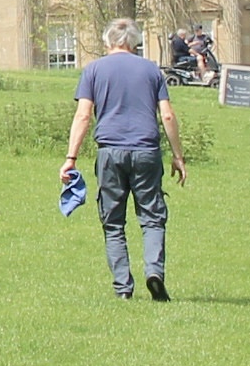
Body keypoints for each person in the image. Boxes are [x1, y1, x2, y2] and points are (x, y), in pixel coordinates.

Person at [58, 18, 189, 300]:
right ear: (134, 42)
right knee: (152, 218)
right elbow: (167, 115)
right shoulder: (151, 70)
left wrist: (71, 157)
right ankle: (154, 272)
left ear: (108, 41)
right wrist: (178, 156)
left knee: (113, 222)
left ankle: (123, 288)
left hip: (110, 151)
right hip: (146, 151)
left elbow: (83, 115)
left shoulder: (93, 70)